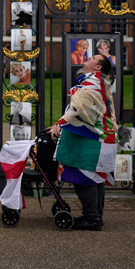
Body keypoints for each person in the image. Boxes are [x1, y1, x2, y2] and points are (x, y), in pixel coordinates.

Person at [47, 53, 117, 231]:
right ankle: (96, 217)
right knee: (95, 177)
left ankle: (92, 218)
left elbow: (79, 108)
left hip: (91, 141)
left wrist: (60, 124)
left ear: (98, 67)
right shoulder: (98, 81)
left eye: (93, 57)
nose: (88, 57)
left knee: (84, 177)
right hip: (98, 138)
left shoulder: (93, 82)